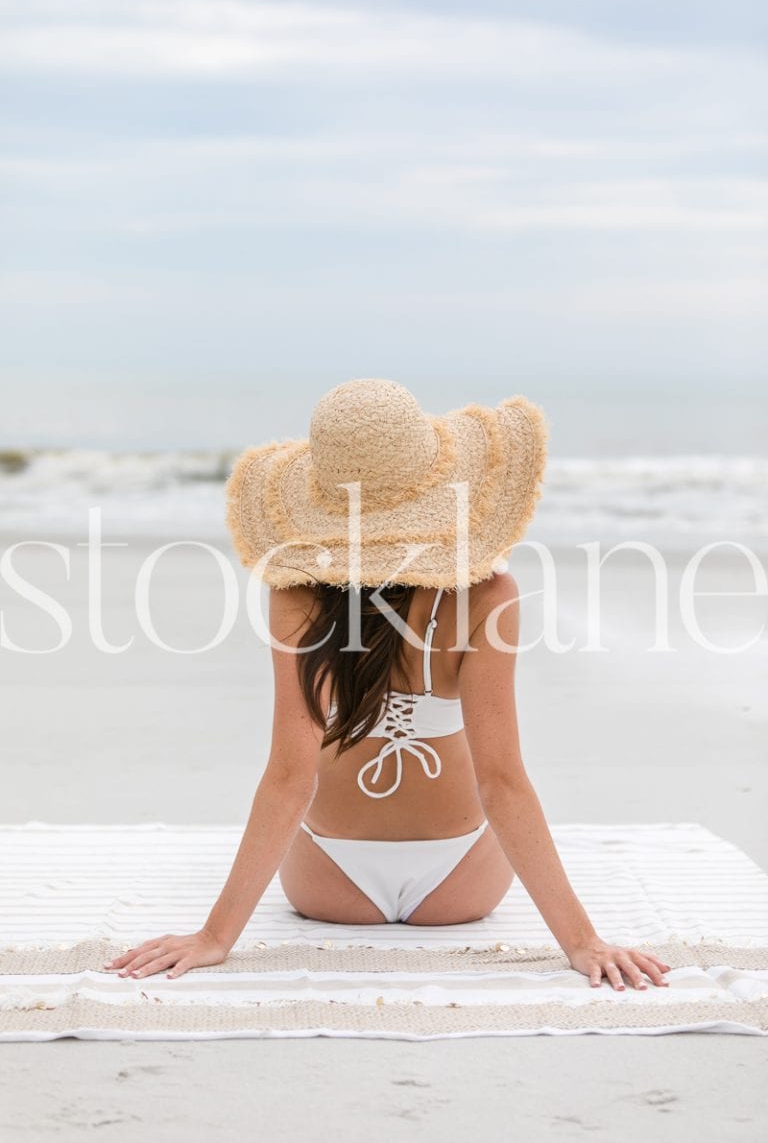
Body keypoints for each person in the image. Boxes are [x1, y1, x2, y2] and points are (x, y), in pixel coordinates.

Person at [105, 378, 671, 991]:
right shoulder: (487, 596)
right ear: (439, 485)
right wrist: (583, 943)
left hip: (330, 881)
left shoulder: (297, 596)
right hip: (458, 885)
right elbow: (501, 782)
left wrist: (216, 937)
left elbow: (290, 778)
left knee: (299, 812)